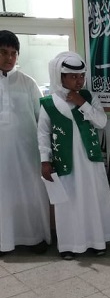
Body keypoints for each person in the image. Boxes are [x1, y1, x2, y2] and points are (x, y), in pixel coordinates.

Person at [38, 52, 110, 260]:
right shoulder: (48, 103)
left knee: (93, 201)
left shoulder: (89, 98)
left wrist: (82, 102)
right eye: (73, 76)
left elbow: (102, 122)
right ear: (61, 76)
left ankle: (97, 242)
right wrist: (45, 161)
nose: (79, 80)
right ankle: (68, 246)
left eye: (81, 76)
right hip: (65, 163)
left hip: (90, 162)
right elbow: (43, 133)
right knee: (68, 203)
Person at [0, 30, 51, 254]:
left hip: (27, 153)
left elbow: (42, 120)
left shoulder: (28, 83)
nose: (9, 58)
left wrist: (45, 153)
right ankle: (3, 241)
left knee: (31, 193)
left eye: (13, 53)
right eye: (3, 52)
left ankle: (35, 238)